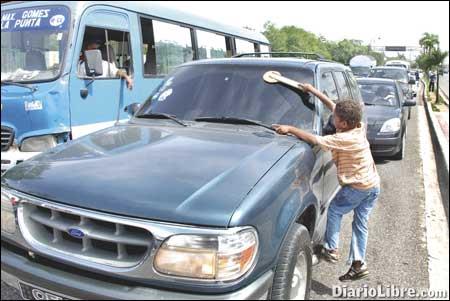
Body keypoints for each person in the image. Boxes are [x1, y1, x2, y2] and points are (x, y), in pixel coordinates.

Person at [272, 83, 380, 282]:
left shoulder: (344, 139)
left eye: (335, 118)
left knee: (335, 210)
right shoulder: (358, 127)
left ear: (344, 124)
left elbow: (316, 140)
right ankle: (358, 264)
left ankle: (331, 248)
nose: (332, 118)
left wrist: (290, 128)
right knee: (360, 224)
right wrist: (313, 91)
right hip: (372, 185)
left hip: (358, 187)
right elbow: (333, 106)